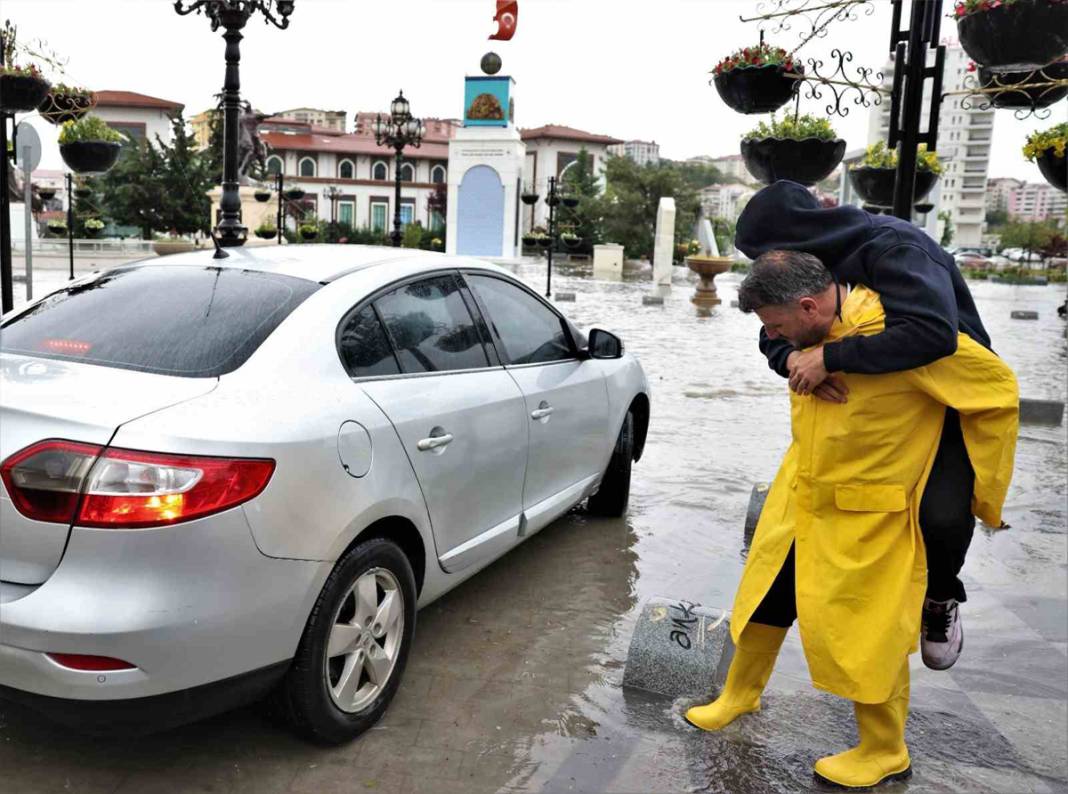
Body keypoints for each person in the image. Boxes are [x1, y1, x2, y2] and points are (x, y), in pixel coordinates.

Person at [685, 251, 1018, 789]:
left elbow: (997, 389)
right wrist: (800, 359)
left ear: (810, 305)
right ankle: (739, 694)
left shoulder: (906, 334)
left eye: (775, 326)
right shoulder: (804, 337)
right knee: (766, 596)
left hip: (871, 511)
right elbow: (785, 353)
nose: (773, 337)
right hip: (801, 496)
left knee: (870, 631)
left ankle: (884, 748)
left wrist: (970, 488)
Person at [735, 180, 993, 670]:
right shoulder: (806, 273)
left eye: (765, 255)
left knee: (940, 512)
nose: (765, 269)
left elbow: (932, 333)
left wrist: (830, 356)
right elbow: (772, 332)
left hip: (946, 396)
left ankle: (940, 596)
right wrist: (793, 358)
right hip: (870, 405)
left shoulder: (898, 248)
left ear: (796, 238)